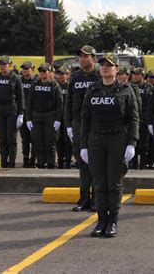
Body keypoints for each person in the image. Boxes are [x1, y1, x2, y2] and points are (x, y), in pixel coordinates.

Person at [80, 53, 139, 238]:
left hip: (117, 139)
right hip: (96, 139)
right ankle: (101, 221)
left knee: (113, 182)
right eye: (103, 64)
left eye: (109, 65)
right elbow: (85, 119)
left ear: (116, 69)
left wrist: (132, 143)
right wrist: (84, 145)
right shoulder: (92, 90)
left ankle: (112, 220)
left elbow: (133, 119)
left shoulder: (126, 90)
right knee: (99, 182)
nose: (105, 67)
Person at [65, 45, 100, 212]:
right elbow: (69, 102)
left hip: (96, 123)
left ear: (94, 58)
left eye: (86, 56)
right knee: (82, 161)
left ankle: (96, 198)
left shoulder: (100, 74)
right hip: (79, 122)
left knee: (96, 161)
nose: (82, 59)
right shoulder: (75, 77)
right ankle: (84, 197)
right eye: (80, 56)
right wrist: (68, 124)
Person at [25, 63, 63, 169]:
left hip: (50, 116)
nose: (42, 73)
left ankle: (51, 163)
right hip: (36, 116)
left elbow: (60, 104)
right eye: (40, 71)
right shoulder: (34, 85)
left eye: (44, 71)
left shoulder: (55, 86)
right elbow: (29, 103)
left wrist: (58, 120)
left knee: (50, 142)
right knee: (38, 142)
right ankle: (41, 163)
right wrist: (28, 119)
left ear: (50, 73)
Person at [0, 56, 24, 168]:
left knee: (11, 139)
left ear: (10, 65)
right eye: (0, 64)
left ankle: (12, 164)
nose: (2, 67)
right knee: (2, 139)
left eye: (4, 64)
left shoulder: (15, 78)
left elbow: (21, 97)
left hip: (11, 110)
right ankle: (3, 163)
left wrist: (21, 114)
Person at [55, 65, 73, 169]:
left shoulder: (70, 86)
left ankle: (68, 161)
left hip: (68, 117)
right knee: (58, 140)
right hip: (58, 117)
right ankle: (60, 160)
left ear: (68, 75)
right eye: (59, 74)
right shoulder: (55, 86)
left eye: (63, 74)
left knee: (68, 141)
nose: (60, 76)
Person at [20, 61, 36, 167]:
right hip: (23, 114)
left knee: (34, 139)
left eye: (27, 68)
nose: (25, 70)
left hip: (34, 114)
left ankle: (33, 160)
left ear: (32, 69)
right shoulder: (19, 81)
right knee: (25, 139)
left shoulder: (37, 81)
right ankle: (25, 159)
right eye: (24, 68)